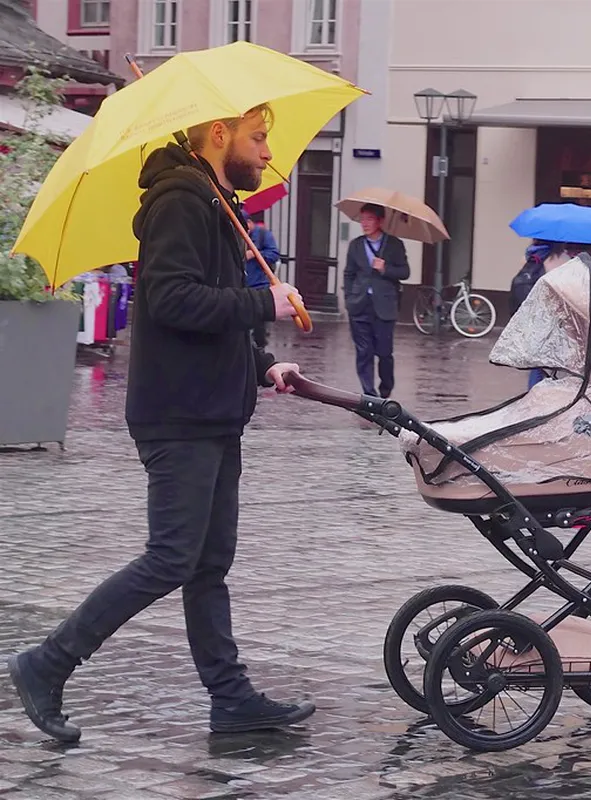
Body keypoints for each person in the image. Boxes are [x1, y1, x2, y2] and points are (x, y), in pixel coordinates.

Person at [7, 103, 315, 743]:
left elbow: (210, 318)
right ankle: (46, 663)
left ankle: (231, 698)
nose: (265, 153)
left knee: (207, 564)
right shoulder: (182, 201)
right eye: (258, 138)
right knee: (172, 557)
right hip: (179, 413)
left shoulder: (216, 204)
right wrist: (266, 300)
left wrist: (263, 366)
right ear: (219, 133)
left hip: (213, 408)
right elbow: (173, 300)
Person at [343, 203, 409, 398]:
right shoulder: (356, 245)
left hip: (385, 307)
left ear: (380, 221)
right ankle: (369, 394)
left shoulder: (394, 244)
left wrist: (385, 269)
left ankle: (385, 389)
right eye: (362, 219)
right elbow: (349, 273)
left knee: (384, 353)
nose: (364, 223)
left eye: (370, 219)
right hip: (359, 305)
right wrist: (349, 298)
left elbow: (405, 272)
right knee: (364, 352)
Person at [512, 239, 587, 389]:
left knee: (537, 360)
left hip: (534, 312)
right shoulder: (563, 260)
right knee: (559, 358)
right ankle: (551, 392)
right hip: (555, 314)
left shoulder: (529, 256)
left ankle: (533, 391)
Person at [243, 211, 279, 349]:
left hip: (259, 286)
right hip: (242, 287)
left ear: (250, 223)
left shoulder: (264, 235)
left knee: (260, 330)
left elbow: (274, 254)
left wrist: (255, 254)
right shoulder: (237, 236)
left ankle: (260, 353)